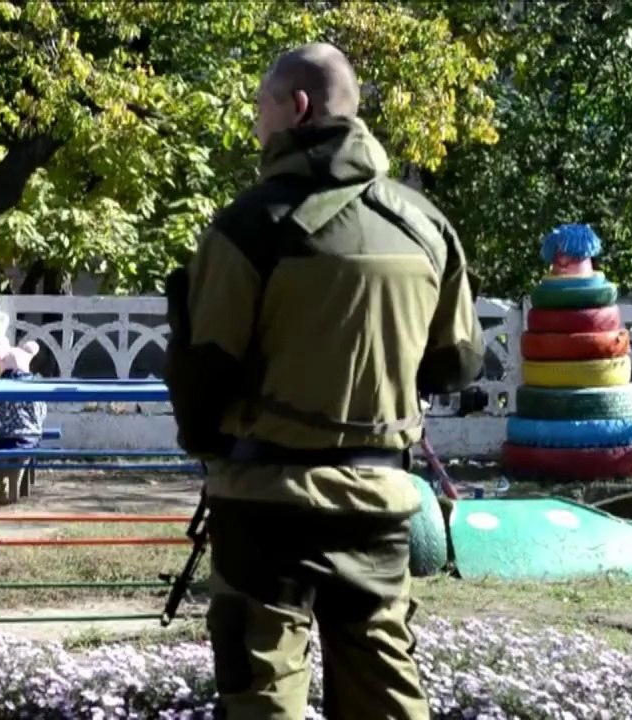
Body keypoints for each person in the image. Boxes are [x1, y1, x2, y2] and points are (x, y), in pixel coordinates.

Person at [163, 43, 483, 718]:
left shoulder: (248, 225)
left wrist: (211, 441)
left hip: (263, 500)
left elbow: (204, 374)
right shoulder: (426, 227)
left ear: (296, 108)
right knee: (383, 688)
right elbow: (457, 363)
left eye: (260, 106)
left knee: (263, 692)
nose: (256, 124)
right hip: (379, 500)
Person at [0, 340, 46, 504]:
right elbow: (41, 413)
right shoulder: (34, 386)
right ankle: (14, 488)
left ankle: (3, 483)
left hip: (1, 438)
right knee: (21, 459)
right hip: (28, 436)